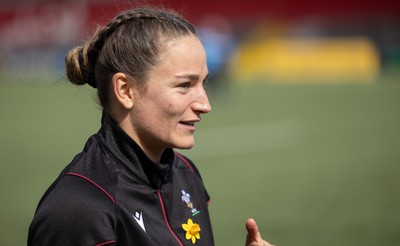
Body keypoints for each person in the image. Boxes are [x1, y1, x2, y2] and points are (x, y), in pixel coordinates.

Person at [28, 6, 274, 246]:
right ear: (125, 90)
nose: (205, 104)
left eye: (203, 83)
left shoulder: (185, 173)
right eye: (185, 85)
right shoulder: (77, 211)